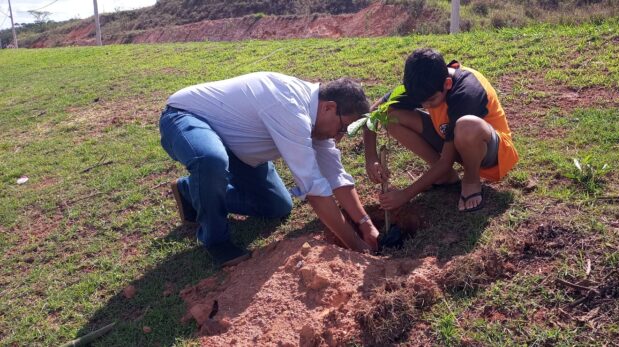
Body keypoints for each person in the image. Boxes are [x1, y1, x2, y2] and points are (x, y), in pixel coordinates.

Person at [159, 72, 379, 267]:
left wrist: (365, 224)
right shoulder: (290, 107)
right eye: (342, 128)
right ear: (329, 107)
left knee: (277, 206)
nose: (339, 137)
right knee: (211, 160)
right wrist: (356, 245)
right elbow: (313, 186)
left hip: (236, 146)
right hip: (185, 117)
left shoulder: (316, 119)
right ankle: (216, 241)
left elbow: (335, 174)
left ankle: (190, 191)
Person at [364, 48, 519, 212]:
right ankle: (446, 177)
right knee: (389, 115)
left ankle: (471, 181)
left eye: (431, 100)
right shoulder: (423, 84)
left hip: (490, 153)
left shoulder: (467, 92)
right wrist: (371, 157)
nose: (425, 106)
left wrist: (405, 195)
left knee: (467, 126)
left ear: (447, 84)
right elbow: (374, 113)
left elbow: (446, 161)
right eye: (420, 102)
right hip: (450, 138)